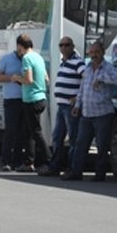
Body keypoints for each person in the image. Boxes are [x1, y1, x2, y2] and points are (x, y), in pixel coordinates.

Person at [62, 41, 117, 182]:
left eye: (96, 52)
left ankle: (99, 174)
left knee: (102, 146)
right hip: (86, 113)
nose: (93, 55)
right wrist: (77, 105)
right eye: (91, 53)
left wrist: (102, 78)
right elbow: (82, 89)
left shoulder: (107, 68)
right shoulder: (88, 68)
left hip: (102, 114)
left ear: (102, 52)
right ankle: (76, 172)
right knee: (80, 144)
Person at [38, 37, 85, 177]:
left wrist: (78, 98)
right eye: (61, 45)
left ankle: (72, 168)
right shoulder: (64, 63)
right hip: (61, 106)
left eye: (67, 45)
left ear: (72, 46)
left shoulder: (78, 62)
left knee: (73, 138)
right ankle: (55, 165)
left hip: (71, 107)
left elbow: (87, 78)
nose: (64, 48)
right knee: (57, 137)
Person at [12, 33, 49, 172]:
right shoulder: (38, 57)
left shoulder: (27, 58)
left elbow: (28, 80)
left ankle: (49, 160)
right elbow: (46, 78)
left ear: (20, 46)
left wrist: (17, 78)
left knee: (36, 132)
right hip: (41, 97)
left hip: (31, 99)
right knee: (28, 132)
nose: (18, 52)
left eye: (18, 48)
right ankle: (29, 161)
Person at [0, 48, 27, 171]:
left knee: (22, 133)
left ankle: (17, 161)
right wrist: (12, 78)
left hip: (25, 99)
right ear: (19, 47)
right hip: (11, 99)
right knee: (10, 131)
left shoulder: (28, 59)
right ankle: (6, 161)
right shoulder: (7, 59)